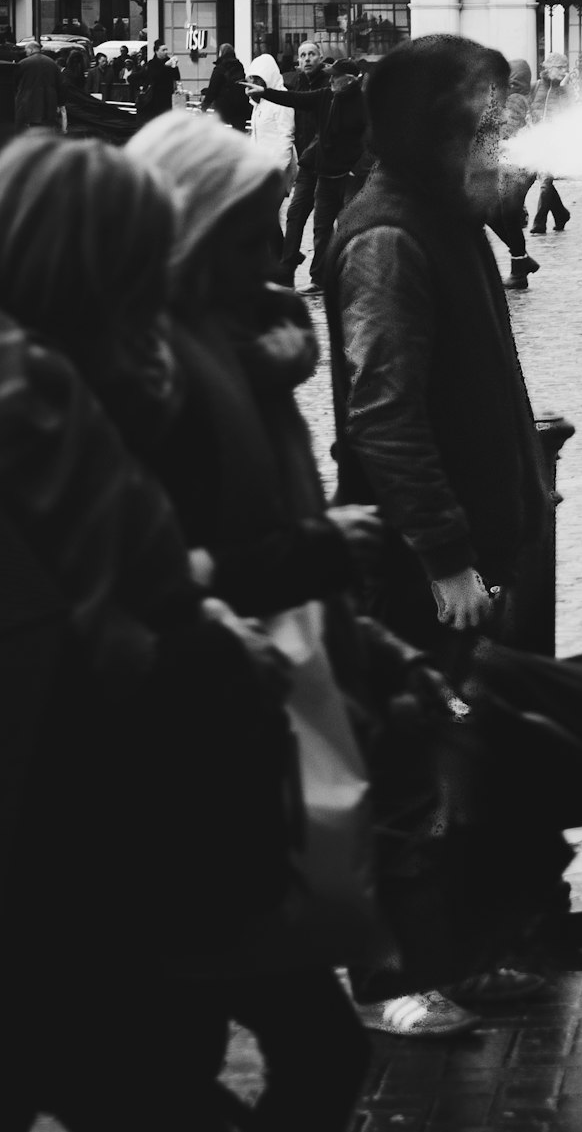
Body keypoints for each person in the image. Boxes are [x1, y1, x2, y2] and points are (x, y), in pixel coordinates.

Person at [0, 133, 295, 1132]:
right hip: (79, 826)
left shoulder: (82, 379)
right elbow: (103, 625)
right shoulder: (47, 398)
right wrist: (212, 635)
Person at [125, 109, 381, 1129]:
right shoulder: (159, 372)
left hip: (248, 714)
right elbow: (160, 568)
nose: (271, 248)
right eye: (247, 228)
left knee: (186, 1048)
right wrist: (319, 552)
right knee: (254, 1047)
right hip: (183, 741)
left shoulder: (247, 344)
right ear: (186, 228)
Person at [324, 35, 551, 1038]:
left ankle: (453, 950)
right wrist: (445, 550)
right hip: (414, 560)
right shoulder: (389, 237)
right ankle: (388, 975)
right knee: (403, 763)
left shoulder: (444, 213)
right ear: (435, 126)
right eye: (481, 119)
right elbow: (383, 413)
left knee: (452, 760)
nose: (496, 135)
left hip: (456, 550)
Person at [248, 53, 367, 294]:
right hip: (325, 174)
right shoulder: (325, 97)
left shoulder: (363, 104)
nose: (331, 82)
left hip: (349, 177)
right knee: (321, 229)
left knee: (350, 228)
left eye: (336, 78)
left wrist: (356, 170)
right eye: (330, 78)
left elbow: (371, 140)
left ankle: (354, 278)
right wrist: (264, 93)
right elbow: (294, 98)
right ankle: (319, 280)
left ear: (351, 80)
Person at [273, 40, 329, 287]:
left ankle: (319, 276)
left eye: (312, 54)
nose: (307, 59)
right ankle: (286, 277)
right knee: (295, 215)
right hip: (307, 163)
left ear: (321, 57)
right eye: (303, 55)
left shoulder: (329, 84)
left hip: (329, 165)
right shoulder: (294, 83)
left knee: (323, 224)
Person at [485, 57, 540, 290]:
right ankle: (522, 259)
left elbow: (507, 131)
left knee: (507, 214)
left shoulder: (516, 100)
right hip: (513, 166)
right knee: (493, 213)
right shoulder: (508, 98)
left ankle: (519, 271)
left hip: (520, 166)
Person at [529, 50, 573, 234]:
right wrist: (529, 122)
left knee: (546, 180)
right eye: (561, 67)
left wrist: (563, 88)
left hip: (554, 141)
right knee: (545, 180)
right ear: (550, 68)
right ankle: (561, 214)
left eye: (566, 67)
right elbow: (527, 106)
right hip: (537, 139)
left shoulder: (565, 90)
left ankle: (539, 223)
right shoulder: (536, 86)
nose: (565, 71)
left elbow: (570, 113)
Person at [247, 51, 297, 190]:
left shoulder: (281, 99)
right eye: (252, 79)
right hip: (261, 169)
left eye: (258, 78)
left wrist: (280, 169)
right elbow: (256, 135)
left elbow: (286, 136)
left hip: (275, 169)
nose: (255, 83)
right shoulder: (259, 103)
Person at [13, 40, 66, 133]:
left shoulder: (23, 63)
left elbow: (15, 81)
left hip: (29, 100)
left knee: (30, 127)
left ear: (31, 49)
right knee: (47, 127)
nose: (26, 53)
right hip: (49, 101)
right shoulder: (52, 63)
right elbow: (60, 84)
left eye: (26, 50)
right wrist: (60, 103)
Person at [201, 40, 251, 129]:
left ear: (221, 53)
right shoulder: (239, 66)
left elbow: (213, 89)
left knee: (219, 132)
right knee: (239, 132)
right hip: (240, 106)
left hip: (224, 107)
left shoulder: (219, 69)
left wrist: (204, 106)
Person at [135, 40, 180, 120]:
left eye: (166, 49)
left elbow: (177, 77)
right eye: (163, 50)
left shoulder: (169, 61)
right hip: (155, 97)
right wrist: (165, 66)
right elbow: (154, 76)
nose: (166, 52)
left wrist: (174, 66)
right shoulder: (152, 63)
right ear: (156, 51)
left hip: (167, 96)